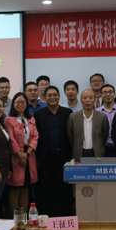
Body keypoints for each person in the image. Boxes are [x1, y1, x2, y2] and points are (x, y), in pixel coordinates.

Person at [34, 86, 74, 216]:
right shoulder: (38, 114)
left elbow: (71, 135)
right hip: (45, 158)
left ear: (59, 97)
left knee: (63, 189)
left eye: (55, 95)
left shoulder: (68, 113)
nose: (52, 97)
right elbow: (36, 137)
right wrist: (38, 158)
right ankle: (46, 217)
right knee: (45, 189)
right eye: (49, 95)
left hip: (63, 157)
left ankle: (64, 216)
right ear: (44, 98)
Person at [5, 92, 39, 213]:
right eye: (17, 102)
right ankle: (15, 217)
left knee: (25, 189)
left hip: (29, 155)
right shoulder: (8, 120)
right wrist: (20, 156)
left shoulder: (31, 119)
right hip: (15, 157)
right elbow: (11, 139)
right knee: (14, 189)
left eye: (23, 102)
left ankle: (24, 216)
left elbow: (35, 137)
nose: (20, 104)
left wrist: (27, 154)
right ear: (13, 104)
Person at [68, 89, 110, 161]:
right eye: (84, 98)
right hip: (79, 153)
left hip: (96, 153)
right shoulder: (73, 117)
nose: (87, 100)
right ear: (81, 101)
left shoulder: (102, 117)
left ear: (94, 101)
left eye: (90, 98)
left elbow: (104, 136)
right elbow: (71, 137)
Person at [97, 84, 116, 158]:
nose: (108, 94)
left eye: (110, 92)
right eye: (104, 92)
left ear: (115, 95)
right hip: (102, 148)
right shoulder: (96, 112)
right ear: (101, 95)